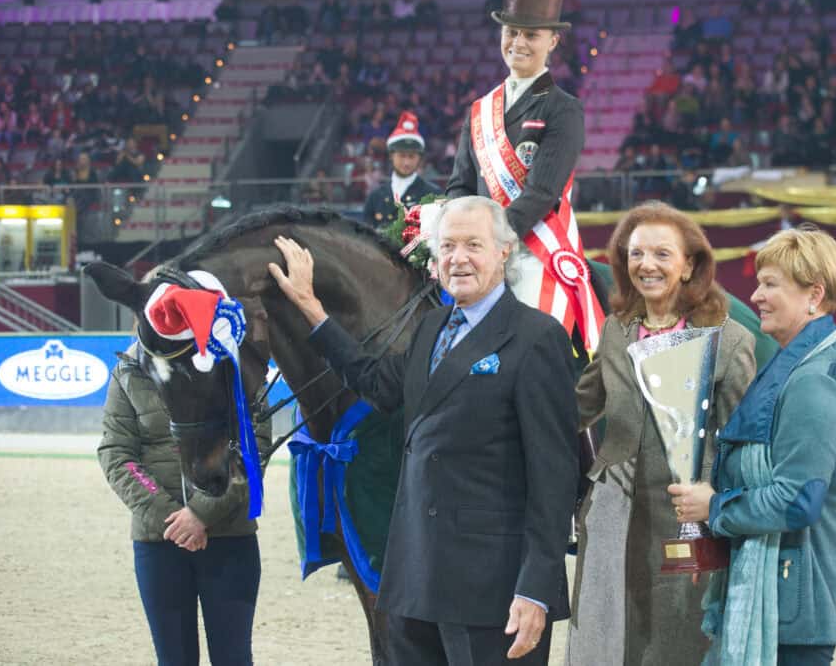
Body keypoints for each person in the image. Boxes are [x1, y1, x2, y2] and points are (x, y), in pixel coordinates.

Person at [268, 195, 579, 665]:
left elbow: (553, 477)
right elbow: (375, 383)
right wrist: (313, 309)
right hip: (416, 579)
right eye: (448, 245)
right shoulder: (431, 327)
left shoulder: (537, 337)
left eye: (474, 244)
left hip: (491, 590)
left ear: (504, 251)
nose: (459, 258)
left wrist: (535, 589)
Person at [567, 203, 756, 666]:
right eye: (636, 254)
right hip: (613, 515)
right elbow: (578, 406)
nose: (646, 265)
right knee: (603, 645)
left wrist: (719, 502)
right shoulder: (616, 331)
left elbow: (742, 442)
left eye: (661, 254)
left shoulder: (728, 340)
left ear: (690, 264)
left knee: (678, 647)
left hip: (689, 521)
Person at [674, 226, 836, 666]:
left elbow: (796, 500)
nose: (756, 295)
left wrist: (716, 507)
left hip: (796, 603)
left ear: (814, 295)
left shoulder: (811, 384)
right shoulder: (800, 367)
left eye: (770, 284)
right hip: (791, 595)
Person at [446, 0, 604, 352]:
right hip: (479, 250)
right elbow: (459, 187)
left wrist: (489, 240)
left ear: (552, 42)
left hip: (533, 250)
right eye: (511, 32)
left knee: (528, 345)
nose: (518, 42)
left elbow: (542, 193)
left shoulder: (563, 109)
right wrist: (460, 237)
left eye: (531, 35)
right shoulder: (479, 111)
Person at [97, 343, 270, 665]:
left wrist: (202, 513)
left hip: (230, 537)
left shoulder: (236, 367)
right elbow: (116, 454)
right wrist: (174, 521)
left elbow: (253, 448)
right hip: (159, 542)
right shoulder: (126, 371)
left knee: (234, 658)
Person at [362, 110, 441, 226]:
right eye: (401, 156)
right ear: (391, 156)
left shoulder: (433, 195)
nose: (406, 162)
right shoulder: (375, 197)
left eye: (412, 156)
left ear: (419, 158)